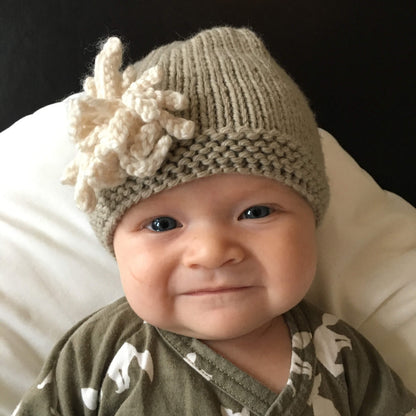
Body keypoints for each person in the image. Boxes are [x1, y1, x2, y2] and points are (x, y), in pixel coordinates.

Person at [13, 27, 416, 415]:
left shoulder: (342, 356)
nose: (211, 253)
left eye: (255, 213)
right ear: (114, 244)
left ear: (312, 222)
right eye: (161, 224)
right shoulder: (98, 354)